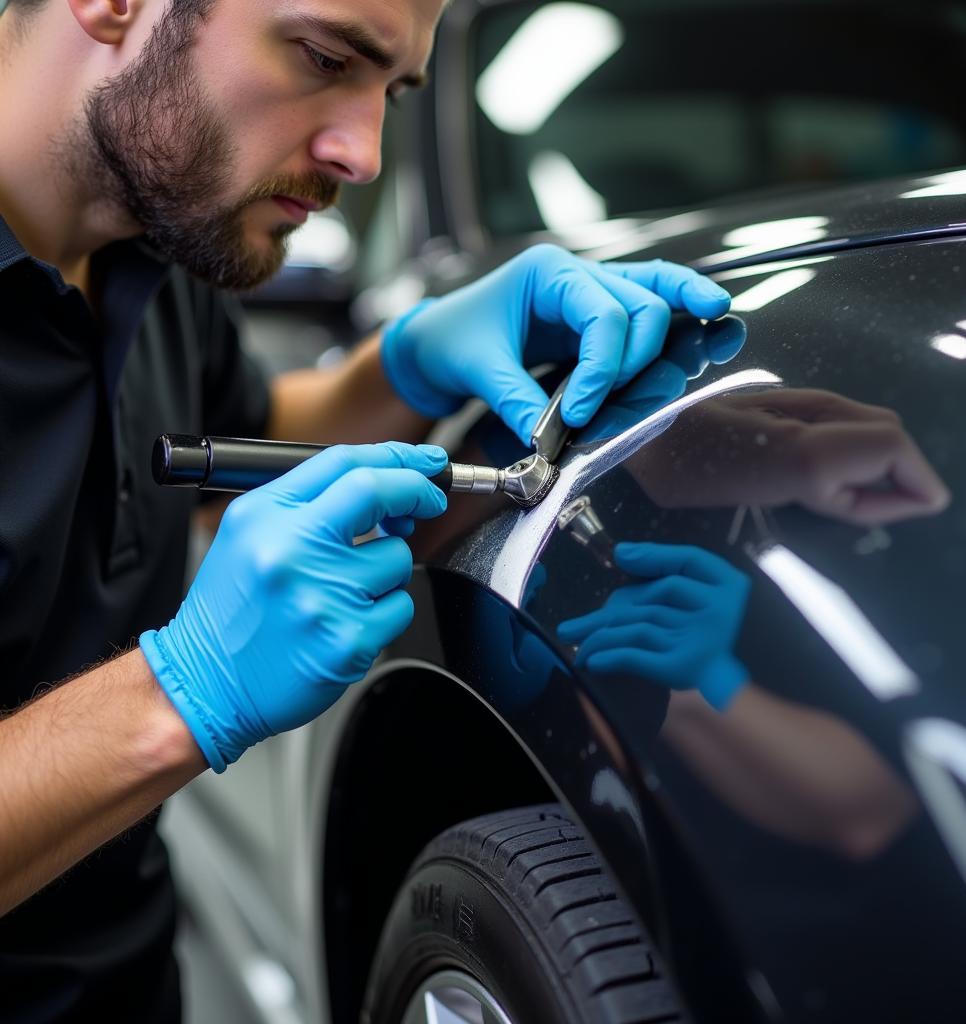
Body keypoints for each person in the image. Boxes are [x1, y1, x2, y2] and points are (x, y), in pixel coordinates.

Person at [0, 0, 732, 1017]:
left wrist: (410, 359)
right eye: (322, 54)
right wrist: (180, 692)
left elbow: (240, 435)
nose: (363, 154)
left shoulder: (143, 237)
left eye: (389, 91)